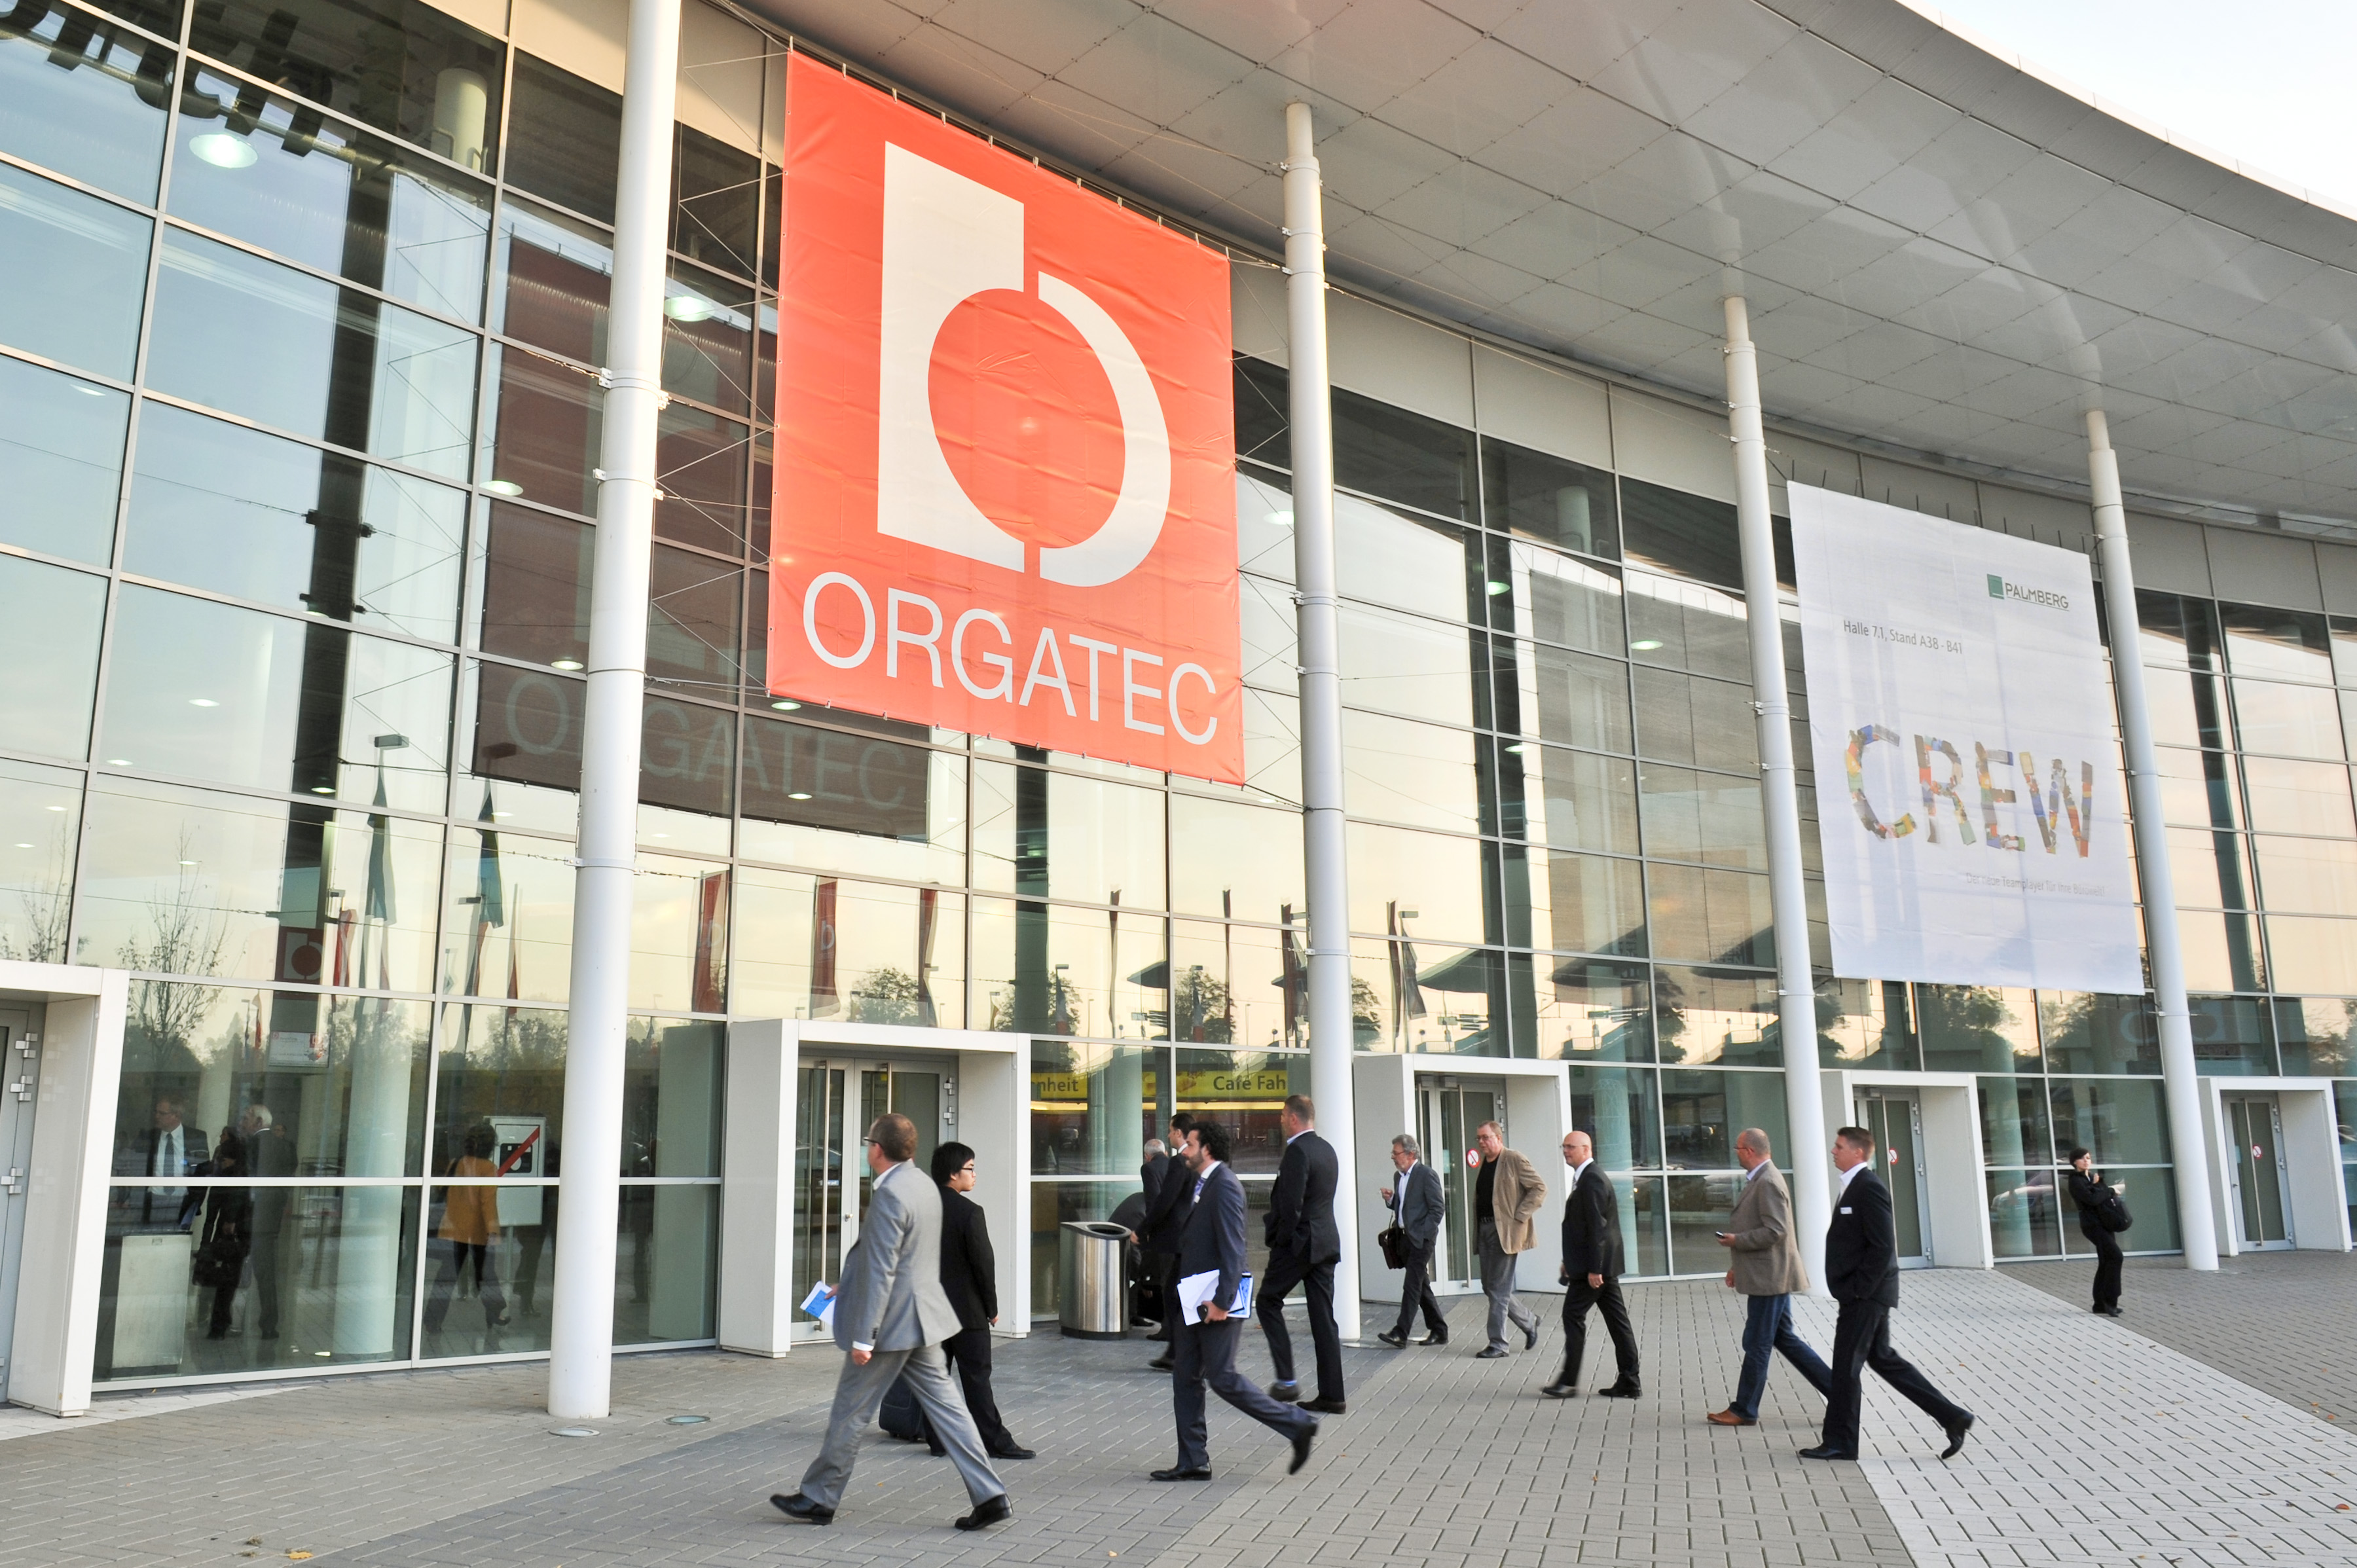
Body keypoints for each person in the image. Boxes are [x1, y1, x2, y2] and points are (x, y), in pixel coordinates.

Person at [772, 1114, 1010, 1531]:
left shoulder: (891, 1194)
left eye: (869, 1143)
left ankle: (819, 1497)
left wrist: (865, 1336)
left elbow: (884, 1268)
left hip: (890, 1327)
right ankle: (990, 1495)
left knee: (849, 1411)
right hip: (924, 1319)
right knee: (950, 1411)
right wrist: (848, 1285)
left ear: (877, 1149)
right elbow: (905, 1257)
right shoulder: (923, 1186)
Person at [1154, 1120, 1317, 1482]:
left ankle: (1297, 1423)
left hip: (1216, 1298)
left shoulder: (1225, 1185)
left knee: (1223, 1377)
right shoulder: (1202, 1182)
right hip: (1195, 1294)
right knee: (1185, 1376)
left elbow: (1234, 1249)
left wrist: (1223, 1302)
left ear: (1207, 1149)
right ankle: (1193, 1460)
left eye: (1190, 1144)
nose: (1184, 1150)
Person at [1801, 1127, 1975, 1463]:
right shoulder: (1853, 1185)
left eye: (1839, 1146)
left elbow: (1882, 1246)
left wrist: (1858, 1291)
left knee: (1845, 1368)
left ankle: (1841, 1442)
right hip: (1866, 1294)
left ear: (1858, 1152)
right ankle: (1952, 1416)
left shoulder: (1869, 1187)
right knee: (1883, 1359)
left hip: (1867, 1296)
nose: (1833, 1151)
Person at [1708, 1128, 1830, 1427]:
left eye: (1738, 1148)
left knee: (1757, 1343)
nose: (1735, 1153)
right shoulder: (1761, 1179)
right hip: (1768, 1274)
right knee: (1783, 1338)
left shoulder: (1768, 1182)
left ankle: (1744, 1409)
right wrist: (1738, 1265)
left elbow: (1776, 1231)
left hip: (1771, 1278)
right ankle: (1841, 1393)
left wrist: (1737, 1241)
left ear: (1750, 1151)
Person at [927, 1140, 1034, 1461]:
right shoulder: (970, 1212)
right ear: (953, 1173)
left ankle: (938, 1439)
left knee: (936, 1377)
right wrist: (992, 1307)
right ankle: (995, 1441)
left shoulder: (920, 1208)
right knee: (976, 1379)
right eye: (970, 1169)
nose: (974, 1175)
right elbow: (983, 1263)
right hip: (967, 1310)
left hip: (930, 1309)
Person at [1258, 1094, 1345, 1413]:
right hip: (1325, 1243)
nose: (1281, 1121)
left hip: (1300, 1245)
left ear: (1294, 1118)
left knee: (1267, 1301)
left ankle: (1286, 1380)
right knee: (1324, 1320)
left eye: (1283, 1115)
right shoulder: (1327, 1149)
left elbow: (1290, 1205)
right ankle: (1333, 1395)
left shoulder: (1297, 1151)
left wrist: (1280, 1241)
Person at [1543, 1130, 1639, 1398]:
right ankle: (1630, 1381)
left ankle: (1568, 1382)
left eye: (1571, 1147)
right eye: (1564, 1146)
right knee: (1618, 1323)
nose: (1566, 1151)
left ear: (1586, 1149)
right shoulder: (1585, 1177)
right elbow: (1582, 1227)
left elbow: (1599, 1228)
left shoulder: (1592, 1178)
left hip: (1594, 1270)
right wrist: (1569, 1261)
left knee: (1573, 1316)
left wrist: (1595, 1268)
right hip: (1596, 1265)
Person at [424, 1123, 507, 1351]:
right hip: (478, 1231)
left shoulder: (455, 1163)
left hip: (453, 1228)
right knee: (487, 1275)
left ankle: (432, 1320)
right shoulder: (488, 1168)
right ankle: (495, 1312)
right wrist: (493, 1231)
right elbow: (487, 1202)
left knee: (446, 1278)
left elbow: (441, 1191)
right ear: (490, 1146)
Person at [1470, 1121, 1544, 1358]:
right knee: (1489, 1286)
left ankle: (1498, 1344)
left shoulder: (1513, 1159)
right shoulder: (1486, 1162)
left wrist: (1520, 1216)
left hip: (1505, 1232)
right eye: (1479, 1138)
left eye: (1486, 1137)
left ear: (1499, 1138)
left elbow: (1539, 1188)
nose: (1481, 1142)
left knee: (1499, 1289)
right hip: (1484, 1230)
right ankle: (1528, 1320)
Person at [1376, 1134, 1447, 1348]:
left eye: (1396, 1153)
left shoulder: (1426, 1175)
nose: (1393, 1157)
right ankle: (1439, 1330)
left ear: (1411, 1154)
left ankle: (1401, 1333)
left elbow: (1438, 1208)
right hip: (1404, 1239)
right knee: (1421, 1286)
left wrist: (1424, 1234)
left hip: (1421, 1240)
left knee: (1411, 1286)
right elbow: (1404, 1205)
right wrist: (1391, 1200)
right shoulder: (1399, 1177)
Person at [1139, 1112, 1197, 1371]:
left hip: (1176, 1239)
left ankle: (1182, 1351)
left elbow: (1163, 1200)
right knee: (1177, 1291)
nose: (1168, 1134)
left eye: (1171, 1130)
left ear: (1179, 1133)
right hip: (1188, 1237)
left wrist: (1144, 1228)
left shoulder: (1180, 1162)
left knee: (1174, 1292)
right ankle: (1177, 1351)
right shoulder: (1194, 1161)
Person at [239, 1105, 295, 1341]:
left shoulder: (250, 1145)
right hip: (270, 1218)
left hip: (249, 1216)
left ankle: (228, 1321)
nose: (242, 1123)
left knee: (239, 1268)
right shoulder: (285, 1147)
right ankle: (269, 1324)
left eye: (246, 1119)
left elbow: (242, 1181)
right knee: (266, 1274)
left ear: (259, 1122)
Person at [195, 1130, 253, 1340]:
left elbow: (217, 1210)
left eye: (225, 1160)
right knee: (230, 1280)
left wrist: (209, 1239)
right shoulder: (244, 1176)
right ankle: (222, 1321)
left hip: (230, 1234)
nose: (222, 1163)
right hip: (240, 1233)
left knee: (224, 1281)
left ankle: (218, 1323)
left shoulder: (231, 1178)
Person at [125, 1095, 209, 1230]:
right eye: (156, 1112)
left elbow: (203, 1171)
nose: (156, 1116)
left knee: (177, 1240)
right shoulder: (147, 1137)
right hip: (152, 1199)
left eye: (162, 1113)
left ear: (177, 1115)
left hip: (183, 1200)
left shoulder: (196, 1137)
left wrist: (195, 1204)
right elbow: (134, 1168)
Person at [2066, 1147, 2125, 1317]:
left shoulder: (2093, 1177)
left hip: (2105, 1223)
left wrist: (2099, 1186)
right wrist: (2109, 1190)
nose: (2086, 1161)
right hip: (2092, 1226)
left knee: (2106, 1261)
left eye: (2088, 1158)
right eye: (2082, 1158)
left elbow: (2101, 1196)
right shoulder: (2075, 1181)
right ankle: (2111, 1302)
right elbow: (2092, 1200)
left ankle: (2099, 1304)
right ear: (2074, 1162)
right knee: (2116, 1257)